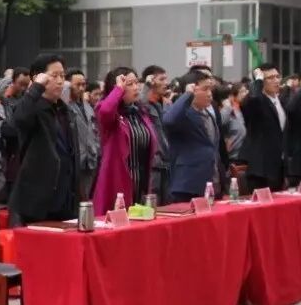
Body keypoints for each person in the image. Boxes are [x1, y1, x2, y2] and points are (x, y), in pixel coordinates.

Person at [5, 54, 78, 225]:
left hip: (64, 199)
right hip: (37, 202)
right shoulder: (33, 108)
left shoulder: (64, 110)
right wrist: (36, 87)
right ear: (39, 78)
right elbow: (19, 119)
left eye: (62, 76)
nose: (60, 81)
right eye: (54, 76)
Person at [93, 67, 157, 212]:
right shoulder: (110, 114)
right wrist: (119, 89)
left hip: (141, 182)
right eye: (129, 84)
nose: (136, 87)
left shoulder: (139, 112)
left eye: (136, 83)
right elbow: (106, 111)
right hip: (118, 183)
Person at [162, 70, 228, 203]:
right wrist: (187, 95)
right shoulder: (183, 114)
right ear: (192, 90)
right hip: (188, 185)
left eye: (210, 89)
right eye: (205, 89)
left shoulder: (209, 114)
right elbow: (169, 120)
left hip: (212, 182)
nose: (210, 94)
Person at [240, 64, 287, 193]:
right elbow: (253, 98)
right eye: (270, 78)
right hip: (261, 168)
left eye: (277, 76)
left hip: (279, 165)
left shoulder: (281, 100)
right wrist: (258, 80)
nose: (276, 81)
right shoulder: (256, 101)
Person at [66, 69, 100, 202]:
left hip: (90, 160)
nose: (81, 88)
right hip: (75, 160)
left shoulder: (88, 106)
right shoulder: (65, 106)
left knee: (86, 199)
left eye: (83, 85)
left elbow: (95, 131)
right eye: (77, 85)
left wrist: (96, 149)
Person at [139, 65, 171, 203]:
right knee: (152, 203)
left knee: (167, 204)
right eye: (161, 79)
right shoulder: (144, 105)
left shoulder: (160, 105)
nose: (166, 83)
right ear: (151, 81)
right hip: (153, 164)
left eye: (166, 79)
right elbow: (140, 103)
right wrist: (146, 85)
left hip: (166, 162)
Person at [221, 82, 248, 167]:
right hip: (233, 156)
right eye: (242, 91)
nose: (245, 94)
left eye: (246, 91)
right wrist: (227, 107)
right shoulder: (228, 109)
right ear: (233, 96)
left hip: (245, 154)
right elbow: (221, 122)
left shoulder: (244, 108)